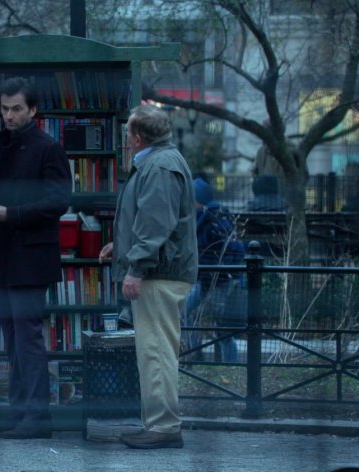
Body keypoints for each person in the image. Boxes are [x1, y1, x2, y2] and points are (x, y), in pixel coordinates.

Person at [0, 76, 71, 439]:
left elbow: (57, 202)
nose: (8, 115)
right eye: (4, 109)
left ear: (32, 110)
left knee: (27, 337)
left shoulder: (48, 148)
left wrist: (12, 215)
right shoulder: (4, 145)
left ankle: (36, 416)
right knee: (13, 337)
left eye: (16, 109)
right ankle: (22, 412)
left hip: (28, 257)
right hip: (5, 254)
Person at [98, 104, 197, 450]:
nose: (126, 140)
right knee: (156, 350)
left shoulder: (157, 168)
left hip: (158, 274)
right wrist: (122, 246)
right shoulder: (162, 162)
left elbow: (155, 223)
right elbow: (155, 222)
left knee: (155, 352)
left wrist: (135, 267)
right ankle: (160, 423)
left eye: (128, 134)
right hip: (163, 270)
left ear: (137, 138)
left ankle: (163, 426)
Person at [181, 178, 246, 363]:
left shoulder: (214, 217)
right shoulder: (202, 217)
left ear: (198, 200)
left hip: (219, 281)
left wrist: (223, 272)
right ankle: (195, 351)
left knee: (222, 328)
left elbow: (233, 249)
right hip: (206, 278)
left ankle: (231, 366)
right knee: (184, 311)